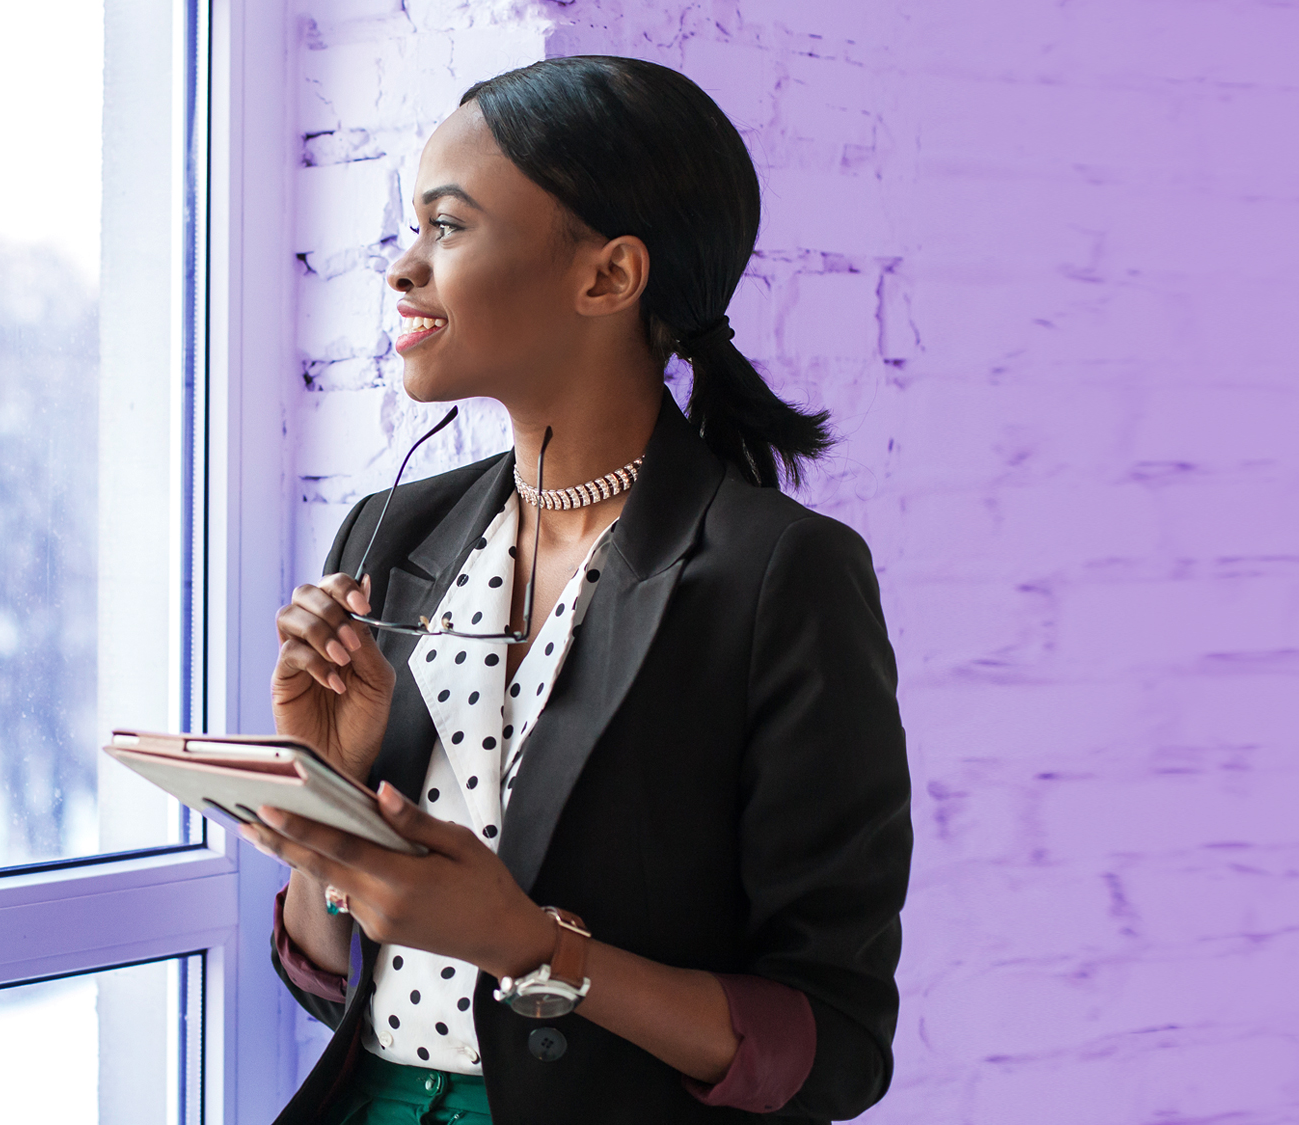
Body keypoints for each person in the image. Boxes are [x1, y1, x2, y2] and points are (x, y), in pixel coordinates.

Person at [240, 56, 911, 1124]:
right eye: (410, 230)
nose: (401, 270)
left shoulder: (781, 575)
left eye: (447, 228)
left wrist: (532, 946)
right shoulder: (388, 531)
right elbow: (328, 980)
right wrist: (325, 793)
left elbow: (828, 1045)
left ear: (607, 277)